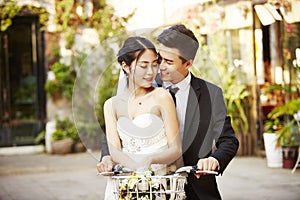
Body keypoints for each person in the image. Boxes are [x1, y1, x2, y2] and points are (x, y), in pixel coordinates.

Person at [98, 24, 239, 200]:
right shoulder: (145, 82)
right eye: (159, 59)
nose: (160, 67)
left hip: (195, 184)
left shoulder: (211, 94)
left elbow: (228, 140)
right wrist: (107, 157)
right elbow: (121, 126)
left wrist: (214, 160)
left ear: (188, 63)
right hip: (148, 186)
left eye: (169, 62)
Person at [99, 36, 182, 199]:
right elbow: (115, 152)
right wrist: (133, 171)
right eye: (143, 66)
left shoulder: (162, 97)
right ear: (126, 66)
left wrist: (150, 160)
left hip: (157, 184)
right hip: (124, 183)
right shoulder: (111, 105)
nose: (151, 72)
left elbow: (176, 149)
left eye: (154, 65)